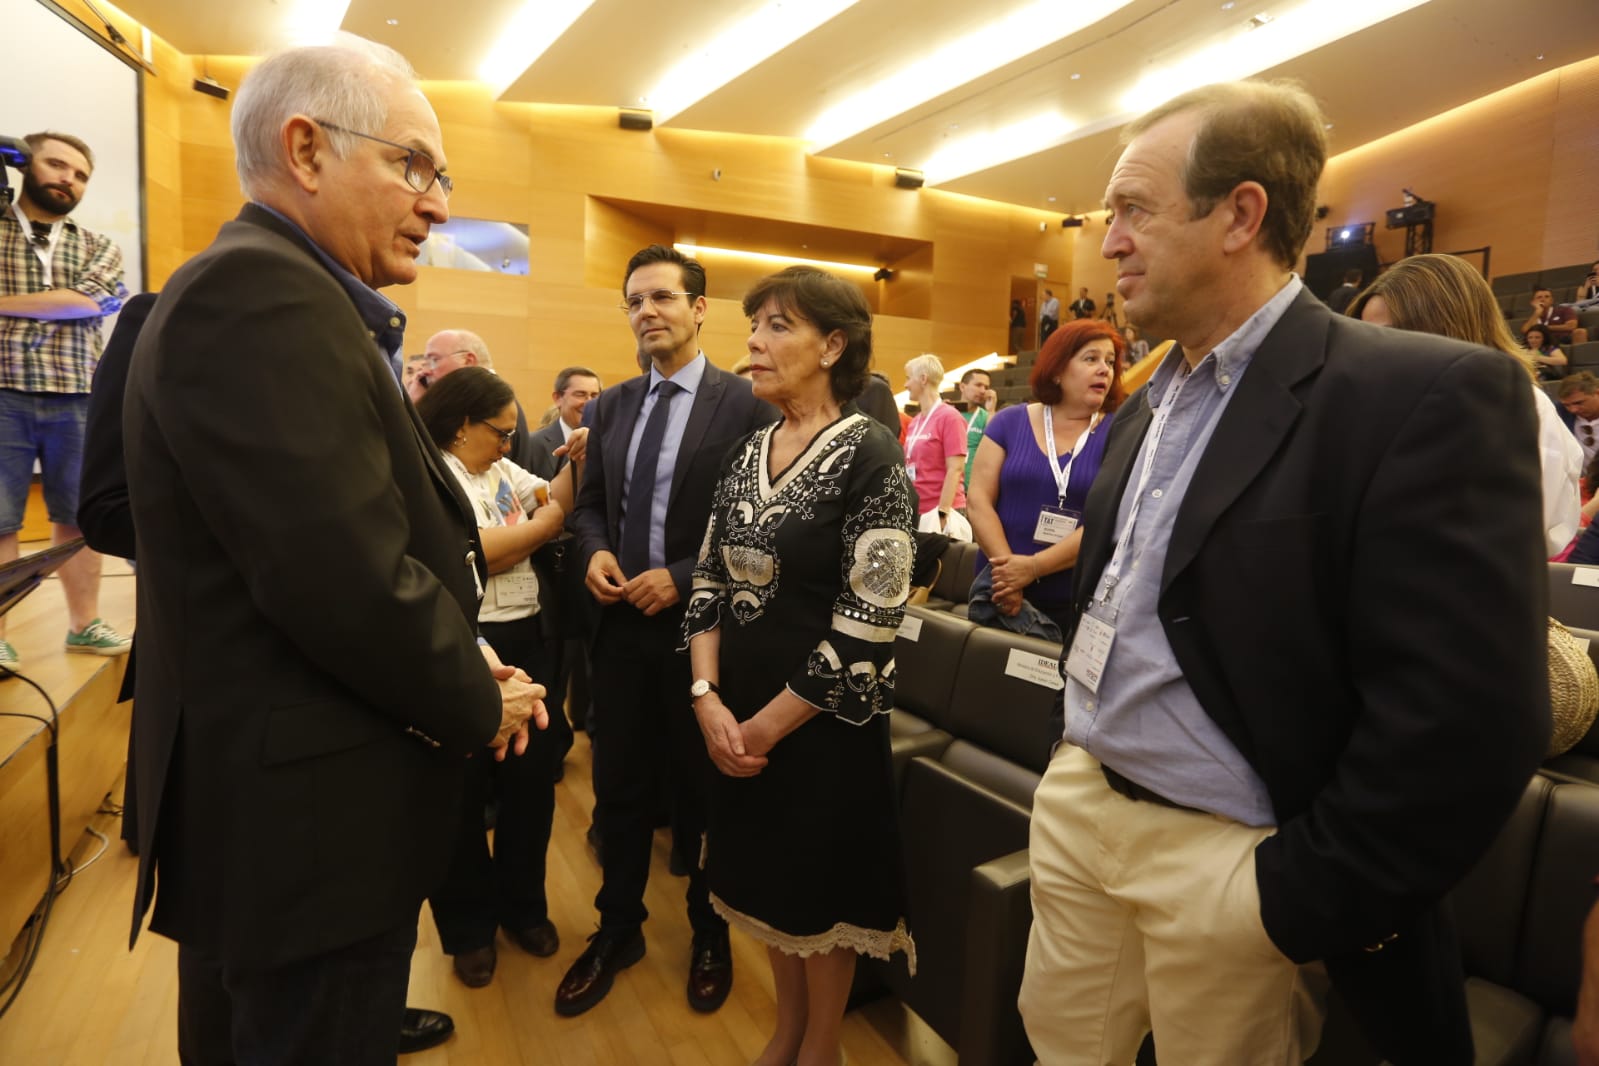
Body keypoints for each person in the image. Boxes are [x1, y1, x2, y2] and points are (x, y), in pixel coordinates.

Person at [1019, 80, 1548, 1066]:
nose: (1109, 243)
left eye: (1134, 210)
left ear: (1241, 214)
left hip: (1232, 859)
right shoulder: (1146, 402)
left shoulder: (1416, 394)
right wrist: (1071, 766)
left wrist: (1288, 895)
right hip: (1085, 811)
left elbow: (1470, 714)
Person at [122, 37, 546, 1065]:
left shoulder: (278, 292)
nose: (437, 203)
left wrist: (466, 651)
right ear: (305, 149)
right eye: (414, 165)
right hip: (304, 831)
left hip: (284, 814)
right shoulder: (263, 298)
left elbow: (344, 545)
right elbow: (343, 581)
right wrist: (479, 697)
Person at [684, 265, 916, 1066]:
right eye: (753, 325)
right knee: (764, 888)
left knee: (818, 893)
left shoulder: (873, 456)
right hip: (735, 718)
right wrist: (707, 697)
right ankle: (785, 1028)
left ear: (833, 345)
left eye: (777, 325)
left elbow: (869, 624)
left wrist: (760, 729)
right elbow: (706, 582)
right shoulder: (746, 450)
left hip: (821, 727)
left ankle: (821, 1044)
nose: (752, 341)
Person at [559, 244, 774, 1018]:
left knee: (700, 793)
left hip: (703, 632)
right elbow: (587, 508)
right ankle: (617, 927)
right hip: (618, 631)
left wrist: (681, 575)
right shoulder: (611, 406)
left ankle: (709, 931)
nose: (646, 312)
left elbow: (759, 528)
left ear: (698, 309)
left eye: (661, 298)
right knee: (616, 788)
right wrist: (596, 551)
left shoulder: (745, 406)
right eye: (633, 302)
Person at [415, 367, 566, 987]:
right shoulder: (432, 473)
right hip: (462, 640)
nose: (510, 443)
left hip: (527, 634)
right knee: (460, 793)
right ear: (459, 426)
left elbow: (555, 502)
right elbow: (475, 551)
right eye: (500, 433)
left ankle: (523, 907)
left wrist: (534, 526)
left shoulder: (503, 470)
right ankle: (470, 930)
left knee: (532, 786)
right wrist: (537, 529)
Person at [0, 130, 132, 669]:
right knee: (1, 521)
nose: (67, 179)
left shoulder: (99, 245)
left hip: (78, 395)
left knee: (80, 518)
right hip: (3, 389)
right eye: (56, 165)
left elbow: (89, 302)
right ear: (27, 167)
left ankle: (84, 625)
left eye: (79, 175)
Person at [1349, 253, 1582, 557]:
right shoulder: (1374, 408)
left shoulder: (1521, 407)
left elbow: (1522, 535)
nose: (1377, 351)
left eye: (1392, 334)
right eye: (1369, 337)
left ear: (1448, 328)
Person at [965, 320, 1123, 638]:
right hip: (1002, 597)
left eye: (1109, 361)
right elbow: (978, 500)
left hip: (1078, 605)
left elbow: (1108, 522)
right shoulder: (1009, 421)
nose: (1105, 369)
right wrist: (1007, 575)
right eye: (1091, 358)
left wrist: (1032, 568)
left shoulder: (1120, 433)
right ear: (1057, 369)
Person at [901, 353, 966, 530]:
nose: (906, 385)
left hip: (942, 511)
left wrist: (943, 513)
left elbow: (955, 468)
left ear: (923, 379)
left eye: (908, 378)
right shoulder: (915, 421)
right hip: (917, 509)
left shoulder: (950, 417)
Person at [956, 367, 992, 487]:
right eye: (978, 385)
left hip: (972, 487)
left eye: (986, 387)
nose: (983, 391)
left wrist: (991, 410)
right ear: (962, 387)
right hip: (947, 485)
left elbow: (992, 446)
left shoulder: (986, 416)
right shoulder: (948, 412)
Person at [1525, 286, 1590, 346]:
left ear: (1552, 300)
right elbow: (1525, 330)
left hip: (1563, 338)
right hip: (1542, 341)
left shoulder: (1564, 310)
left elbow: (1571, 326)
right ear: (1533, 302)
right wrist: (1537, 313)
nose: (1543, 299)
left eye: (1547, 297)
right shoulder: (1534, 316)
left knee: (1580, 332)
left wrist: (1546, 328)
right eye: (1539, 297)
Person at [1564, 373, 1599, 466]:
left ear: (1597, 393)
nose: (1572, 410)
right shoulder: (1560, 414)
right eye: (1566, 405)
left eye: (1578, 403)